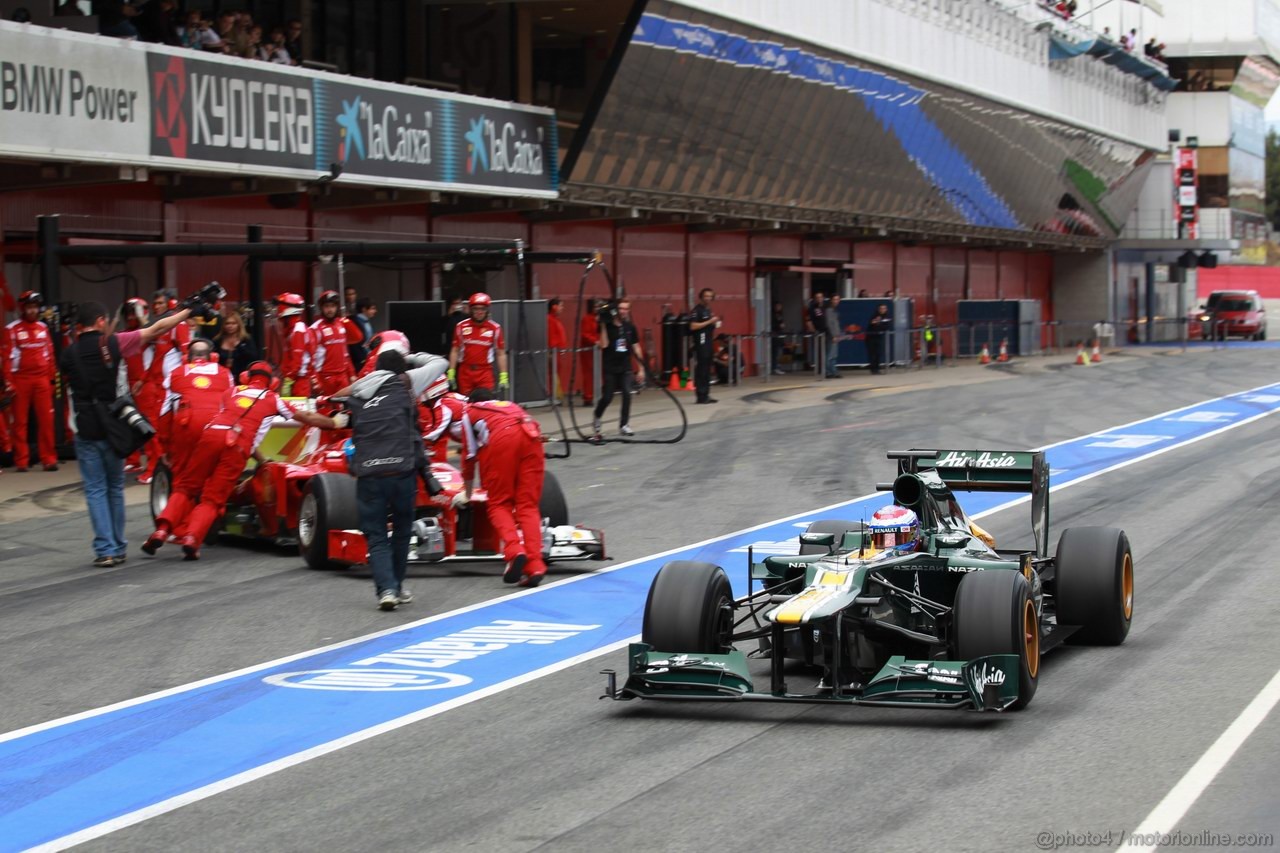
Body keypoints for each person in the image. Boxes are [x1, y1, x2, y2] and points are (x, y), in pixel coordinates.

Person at [144, 362, 343, 561]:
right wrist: (333, 422)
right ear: (273, 383)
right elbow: (306, 416)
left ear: (246, 378)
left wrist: (261, 459)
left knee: (186, 488)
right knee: (212, 499)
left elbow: (229, 423)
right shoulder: (273, 398)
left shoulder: (230, 392)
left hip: (210, 437)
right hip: (236, 448)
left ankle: (161, 530)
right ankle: (192, 539)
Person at [61, 301, 194, 567]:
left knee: (95, 489)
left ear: (78, 328)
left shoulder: (68, 354)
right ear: (100, 321)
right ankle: (119, 546)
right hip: (115, 424)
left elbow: (69, 389)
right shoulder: (114, 343)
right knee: (114, 487)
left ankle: (105, 549)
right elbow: (158, 329)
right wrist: (188, 312)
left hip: (86, 426)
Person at [341, 348, 449, 609]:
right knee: (401, 532)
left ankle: (387, 590)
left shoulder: (357, 390)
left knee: (376, 535)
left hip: (369, 473)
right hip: (402, 472)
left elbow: (339, 412)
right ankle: (397, 587)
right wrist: (410, 359)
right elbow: (441, 361)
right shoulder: (407, 380)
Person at [458, 387, 546, 587]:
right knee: (528, 506)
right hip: (532, 434)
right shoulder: (509, 405)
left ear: (471, 401)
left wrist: (467, 493)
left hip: (504, 438)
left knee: (498, 503)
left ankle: (515, 551)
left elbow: (469, 457)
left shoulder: (468, 411)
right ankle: (535, 565)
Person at [156, 338, 235, 473]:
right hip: (218, 429)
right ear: (212, 357)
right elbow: (233, 408)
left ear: (188, 357)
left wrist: (164, 447)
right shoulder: (226, 374)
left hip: (187, 429)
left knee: (182, 478)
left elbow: (165, 413)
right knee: (214, 473)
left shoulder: (175, 373)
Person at [139, 291, 191, 484]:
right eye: (155, 303)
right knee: (156, 430)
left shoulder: (179, 324)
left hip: (172, 390)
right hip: (157, 386)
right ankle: (159, 468)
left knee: (164, 431)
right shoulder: (161, 326)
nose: (156, 306)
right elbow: (157, 357)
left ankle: (159, 470)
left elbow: (187, 356)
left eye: (160, 303)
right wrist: (143, 380)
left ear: (170, 303)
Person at [6, 291, 59, 472]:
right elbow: (6, 358)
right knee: (20, 422)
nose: (32, 311)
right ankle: (21, 460)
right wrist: (9, 382)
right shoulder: (12, 329)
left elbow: (50, 355)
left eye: (35, 307)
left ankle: (49, 459)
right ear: (22, 308)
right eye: (29, 307)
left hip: (42, 379)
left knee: (47, 419)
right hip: (20, 379)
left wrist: (52, 380)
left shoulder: (43, 328)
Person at [592, 299, 646, 437]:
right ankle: (597, 415)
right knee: (608, 397)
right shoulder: (608, 326)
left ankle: (624, 424)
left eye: (626, 309)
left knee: (627, 393)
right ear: (616, 310)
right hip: (610, 366)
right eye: (621, 308)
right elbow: (604, 345)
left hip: (625, 366)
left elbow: (636, 347)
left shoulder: (629, 327)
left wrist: (641, 368)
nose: (623, 311)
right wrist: (603, 324)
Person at [448, 292, 508, 397]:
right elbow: (455, 350)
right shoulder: (461, 326)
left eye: (482, 309)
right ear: (471, 309)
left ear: (487, 310)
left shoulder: (495, 328)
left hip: (485, 372)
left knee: (486, 404)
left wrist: (503, 375)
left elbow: (500, 353)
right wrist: (451, 371)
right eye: (476, 309)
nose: (479, 312)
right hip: (465, 372)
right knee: (465, 404)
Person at [118, 297, 151, 473]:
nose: (131, 316)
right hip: (127, 383)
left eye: (134, 312)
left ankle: (152, 465)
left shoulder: (147, 333)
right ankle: (133, 459)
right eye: (128, 313)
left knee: (148, 423)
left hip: (145, 383)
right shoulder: (123, 335)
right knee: (128, 422)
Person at [310, 290, 363, 396]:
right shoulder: (315, 328)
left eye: (333, 306)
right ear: (321, 308)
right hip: (325, 378)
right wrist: (315, 380)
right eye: (327, 306)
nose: (330, 310)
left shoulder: (341, 324)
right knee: (326, 410)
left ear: (337, 307)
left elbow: (346, 353)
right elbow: (310, 358)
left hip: (342, 377)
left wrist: (351, 374)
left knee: (344, 410)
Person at [274, 292, 314, 396]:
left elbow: (297, 360)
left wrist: (288, 380)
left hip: (299, 381)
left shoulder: (298, 329)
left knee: (298, 411)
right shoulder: (293, 329)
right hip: (295, 379)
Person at [688, 288, 720, 404]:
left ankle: (706, 393)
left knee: (707, 368)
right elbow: (692, 326)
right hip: (701, 342)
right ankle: (701, 395)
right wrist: (709, 322)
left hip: (708, 341)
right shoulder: (697, 311)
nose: (708, 298)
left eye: (710, 296)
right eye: (706, 296)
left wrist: (714, 323)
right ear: (701, 296)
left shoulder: (708, 310)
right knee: (701, 368)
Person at [214, 309, 261, 379]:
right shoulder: (218, 340)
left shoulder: (246, 339)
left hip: (242, 378)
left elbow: (254, 357)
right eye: (227, 323)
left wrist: (240, 346)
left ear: (239, 325)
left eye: (233, 323)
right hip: (221, 377)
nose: (230, 326)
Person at [578, 298, 600, 406]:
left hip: (597, 349)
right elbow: (585, 334)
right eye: (596, 306)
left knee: (596, 373)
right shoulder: (587, 319)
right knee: (588, 374)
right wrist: (595, 341)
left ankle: (596, 394)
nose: (598, 308)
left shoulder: (599, 318)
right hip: (589, 350)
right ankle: (588, 396)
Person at [546, 298, 568, 402]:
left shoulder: (555, 319)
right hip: (553, 352)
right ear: (554, 307)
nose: (562, 308)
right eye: (561, 306)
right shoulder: (550, 319)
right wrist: (552, 351)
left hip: (557, 351)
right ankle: (553, 396)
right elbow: (551, 336)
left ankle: (555, 395)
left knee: (556, 374)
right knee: (553, 374)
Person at [351, 297, 377, 370]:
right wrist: (362, 360)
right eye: (372, 308)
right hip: (360, 362)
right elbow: (355, 345)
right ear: (364, 309)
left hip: (367, 358)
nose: (375, 311)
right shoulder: (355, 323)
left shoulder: (366, 322)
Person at [824, 293, 845, 379]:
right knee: (830, 355)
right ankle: (829, 371)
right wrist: (833, 335)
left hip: (836, 335)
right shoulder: (829, 310)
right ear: (831, 300)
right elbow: (829, 323)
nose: (836, 301)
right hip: (832, 335)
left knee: (833, 355)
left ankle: (833, 371)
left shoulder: (834, 310)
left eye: (838, 299)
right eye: (835, 299)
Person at [867, 303, 891, 375]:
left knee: (878, 353)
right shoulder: (874, 316)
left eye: (884, 308)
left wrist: (879, 324)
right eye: (881, 308)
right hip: (871, 337)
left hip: (879, 337)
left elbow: (886, 327)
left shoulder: (887, 317)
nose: (883, 310)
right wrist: (877, 323)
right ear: (878, 309)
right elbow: (872, 325)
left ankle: (877, 368)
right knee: (872, 354)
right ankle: (873, 369)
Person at [770, 301, 787, 375]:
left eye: (780, 306)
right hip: (775, 335)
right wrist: (779, 326)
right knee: (775, 352)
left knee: (779, 352)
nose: (779, 307)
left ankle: (777, 366)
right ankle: (774, 367)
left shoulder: (780, 314)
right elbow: (773, 324)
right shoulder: (772, 315)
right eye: (777, 306)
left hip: (780, 335)